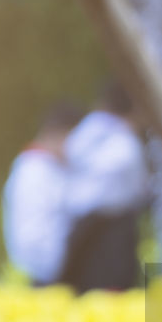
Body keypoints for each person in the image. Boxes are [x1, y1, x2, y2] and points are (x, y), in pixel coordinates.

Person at [59, 84, 150, 292]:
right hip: (112, 229)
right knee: (113, 291)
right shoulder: (124, 140)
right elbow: (138, 184)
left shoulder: (86, 130)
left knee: (88, 290)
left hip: (80, 228)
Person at [2, 103, 84, 286]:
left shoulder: (37, 166)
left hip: (48, 272)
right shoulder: (36, 170)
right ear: (58, 134)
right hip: (48, 275)